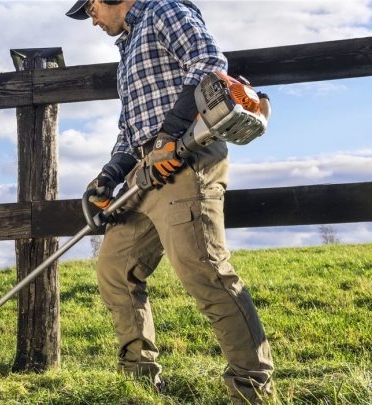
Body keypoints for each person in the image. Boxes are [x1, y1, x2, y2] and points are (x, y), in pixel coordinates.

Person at [65, 1, 274, 403]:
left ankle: (253, 391)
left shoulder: (165, 10)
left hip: (185, 161)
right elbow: (130, 128)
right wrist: (109, 175)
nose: (92, 19)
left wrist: (168, 138)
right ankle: (139, 383)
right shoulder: (127, 48)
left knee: (206, 273)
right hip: (143, 173)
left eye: (91, 8)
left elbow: (208, 63)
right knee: (115, 269)